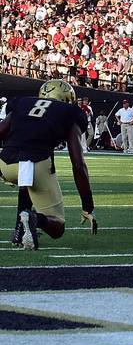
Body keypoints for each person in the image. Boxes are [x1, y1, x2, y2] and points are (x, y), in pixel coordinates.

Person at [0, 79, 98, 250]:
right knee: (57, 227)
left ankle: (19, 231)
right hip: (35, 164)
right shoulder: (70, 112)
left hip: (5, 163)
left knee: (26, 178)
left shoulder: (23, 102)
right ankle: (34, 219)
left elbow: (1, 131)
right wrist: (87, 206)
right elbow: (78, 164)